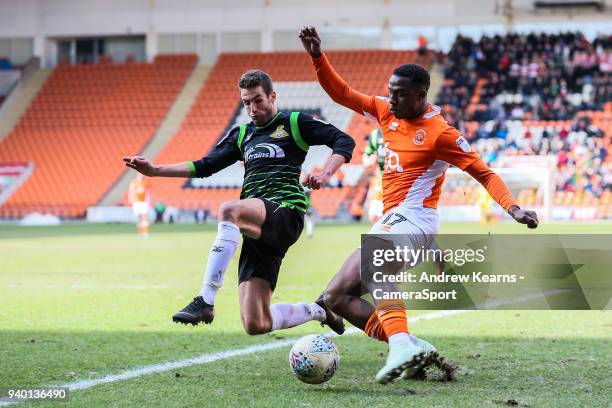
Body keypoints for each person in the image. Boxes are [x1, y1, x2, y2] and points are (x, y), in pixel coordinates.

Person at [299, 26, 539, 384]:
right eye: (390, 92)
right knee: (336, 296)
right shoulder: (386, 112)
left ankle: (400, 346)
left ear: (421, 95)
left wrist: (513, 208)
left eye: (399, 94)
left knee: (378, 265)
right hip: (394, 219)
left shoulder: (442, 134)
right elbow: (343, 93)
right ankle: (410, 345)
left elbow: (485, 173)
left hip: (416, 219)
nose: (390, 99)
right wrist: (318, 56)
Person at [123, 69, 355, 336]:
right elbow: (205, 165)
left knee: (228, 210)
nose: (252, 108)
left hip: (285, 213)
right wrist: (155, 170)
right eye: (246, 102)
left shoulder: (294, 123)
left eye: (258, 100)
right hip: (258, 227)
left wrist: (325, 173)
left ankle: (206, 299)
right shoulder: (242, 134)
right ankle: (320, 309)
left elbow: (343, 140)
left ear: (272, 96)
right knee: (256, 324)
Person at [128, 174, 151, 238]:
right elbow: (131, 191)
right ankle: (141, 232)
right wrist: (131, 200)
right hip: (136, 202)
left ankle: (145, 233)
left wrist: (149, 202)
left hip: (144, 202)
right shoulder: (134, 182)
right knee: (139, 218)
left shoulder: (146, 183)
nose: (141, 176)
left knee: (144, 217)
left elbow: (148, 193)